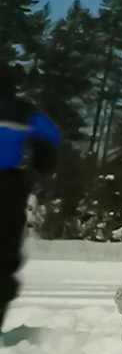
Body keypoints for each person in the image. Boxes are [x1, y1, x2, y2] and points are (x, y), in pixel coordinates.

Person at [1, 93, 61, 331]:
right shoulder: (20, 110)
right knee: (3, 254)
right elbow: (49, 134)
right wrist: (42, 160)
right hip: (6, 185)